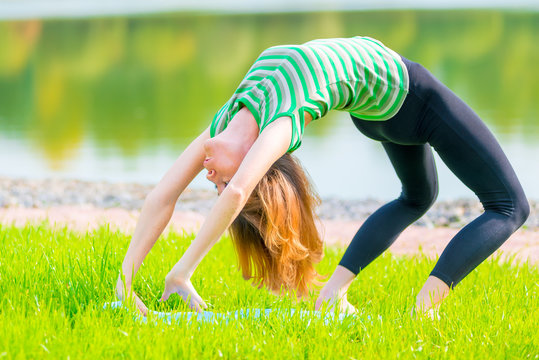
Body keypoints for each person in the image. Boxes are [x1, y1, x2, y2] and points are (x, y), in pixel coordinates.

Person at [115, 36, 530, 316]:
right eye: (219, 187)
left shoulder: (228, 118)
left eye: (217, 186)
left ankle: (333, 293)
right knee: (510, 206)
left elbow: (225, 191)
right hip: (409, 97)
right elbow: (178, 193)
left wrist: (179, 272)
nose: (212, 183)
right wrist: (127, 282)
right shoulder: (281, 122)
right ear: (254, 161)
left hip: (382, 109)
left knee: (418, 197)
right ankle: (425, 308)